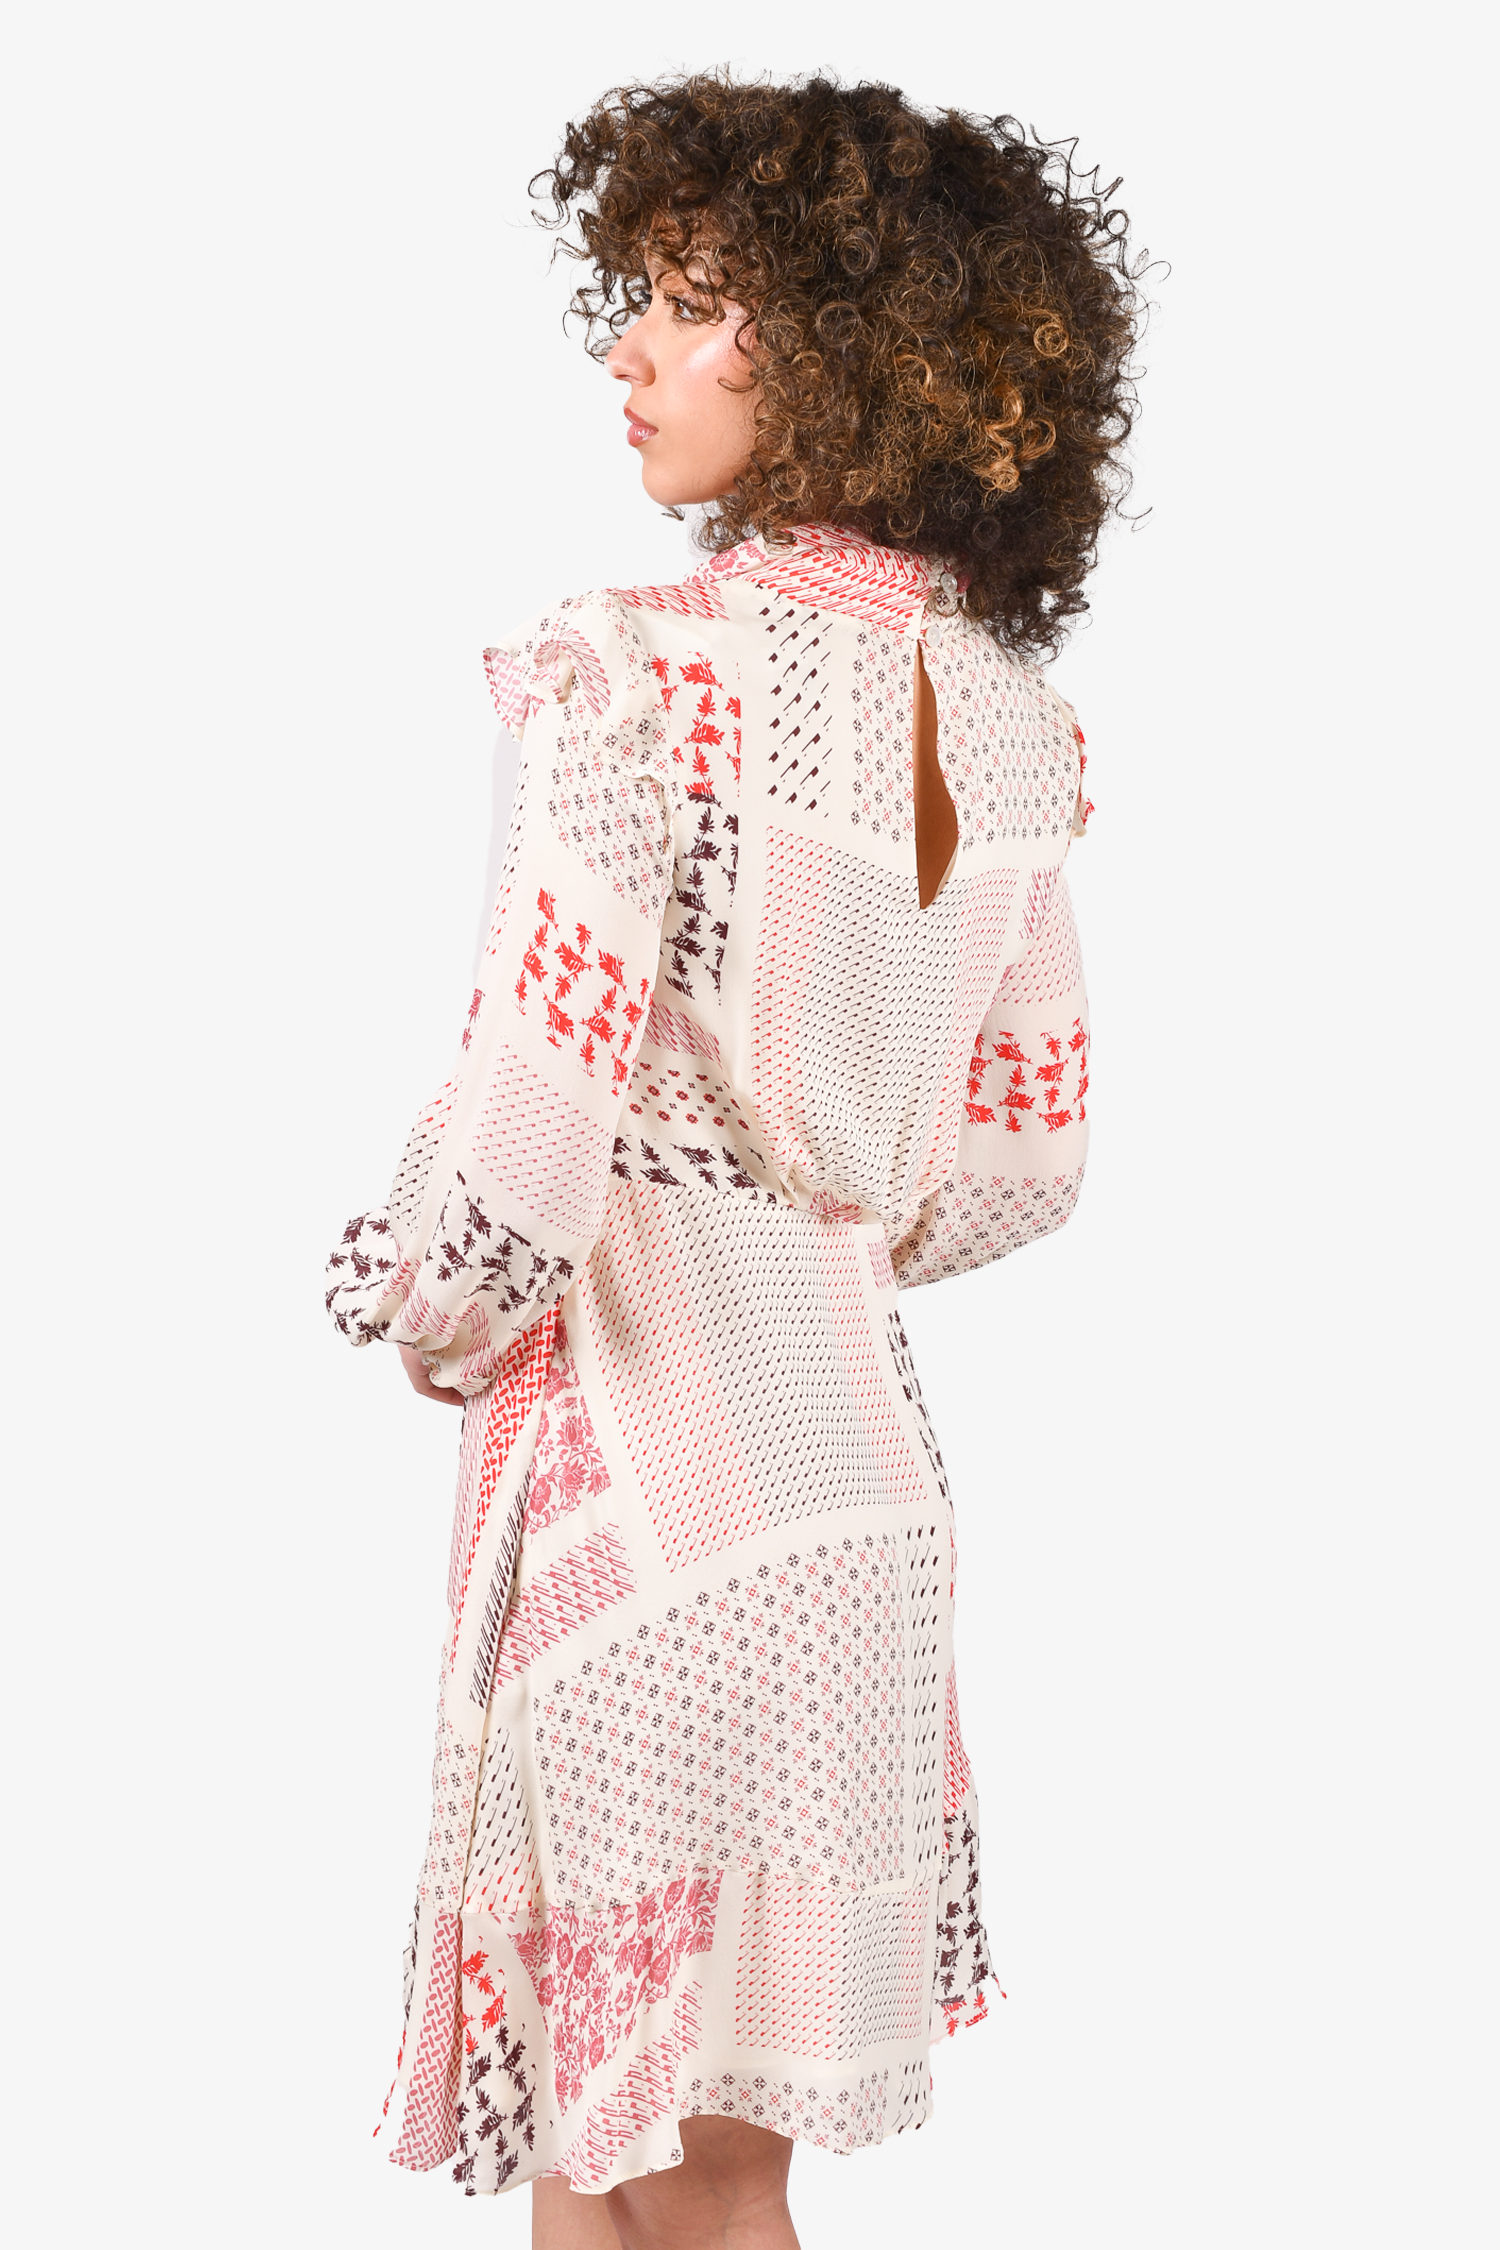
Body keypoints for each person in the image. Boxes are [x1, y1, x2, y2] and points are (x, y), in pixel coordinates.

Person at [325, 71, 1141, 2250]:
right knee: (656, 2189)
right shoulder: (1021, 730)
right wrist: (812, 1205)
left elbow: (528, 1130)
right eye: (644, 298)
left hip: (656, 1515)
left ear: (851, 355)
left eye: (697, 307)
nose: (631, 350)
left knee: (654, 2194)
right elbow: (1026, 1155)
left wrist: (407, 1286)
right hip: (863, 1512)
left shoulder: (636, 672)